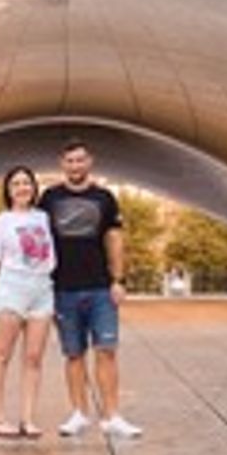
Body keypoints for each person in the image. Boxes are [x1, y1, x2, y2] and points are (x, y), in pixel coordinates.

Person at [40, 140, 143, 439]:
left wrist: (119, 280)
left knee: (107, 351)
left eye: (80, 160)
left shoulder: (104, 198)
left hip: (100, 288)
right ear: (62, 164)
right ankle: (78, 414)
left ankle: (112, 416)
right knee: (73, 354)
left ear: (90, 162)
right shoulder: (49, 198)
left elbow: (114, 240)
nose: (75, 165)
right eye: (70, 161)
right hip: (63, 288)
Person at [0, 165, 56, 439]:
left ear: (34, 188)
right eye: (16, 184)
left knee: (34, 358)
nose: (23, 188)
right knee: (1, 356)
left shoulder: (44, 218)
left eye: (27, 183)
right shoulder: (0, 222)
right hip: (11, 289)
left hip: (42, 290)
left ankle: (28, 418)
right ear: (8, 191)